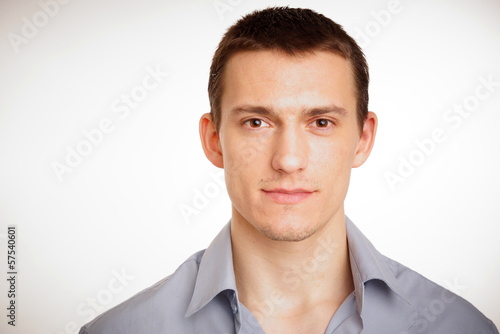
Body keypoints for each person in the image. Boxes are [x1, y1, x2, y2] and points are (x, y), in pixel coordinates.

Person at [79, 7, 498, 334]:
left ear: (363, 139)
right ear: (213, 140)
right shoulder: (119, 330)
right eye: (256, 122)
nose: (289, 160)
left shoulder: (460, 327)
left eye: (321, 122)